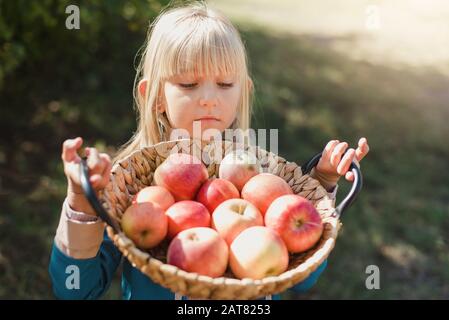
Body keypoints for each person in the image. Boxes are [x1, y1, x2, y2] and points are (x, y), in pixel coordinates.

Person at [49, 1, 370, 300]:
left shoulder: (256, 185)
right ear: (155, 97)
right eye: (188, 84)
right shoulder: (133, 191)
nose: (208, 98)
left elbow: (303, 279)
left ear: (243, 92)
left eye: (225, 84)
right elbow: (77, 290)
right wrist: (82, 199)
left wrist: (322, 181)